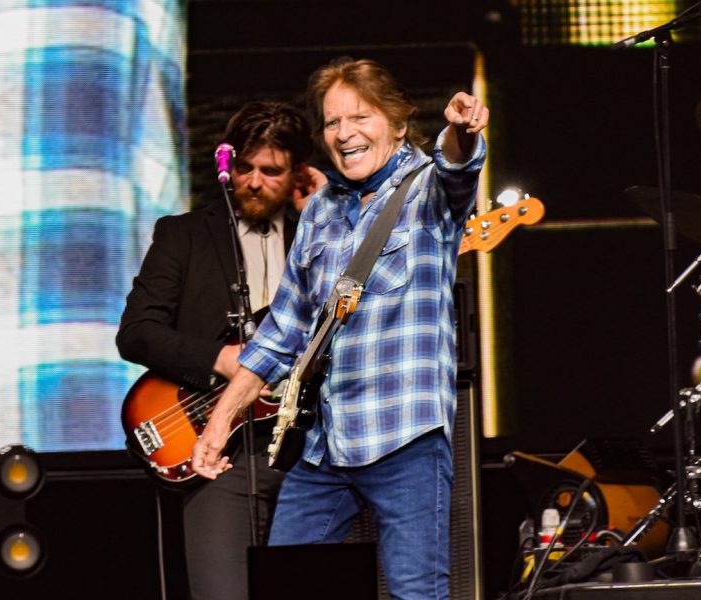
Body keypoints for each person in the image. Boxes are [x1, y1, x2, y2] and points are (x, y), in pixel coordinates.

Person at [191, 57, 489, 599]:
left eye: (361, 117)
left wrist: (462, 131)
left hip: (407, 438)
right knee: (288, 586)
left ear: (397, 122)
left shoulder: (427, 190)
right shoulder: (320, 210)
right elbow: (281, 331)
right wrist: (218, 424)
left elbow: (458, 164)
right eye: (332, 122)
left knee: (415, 595)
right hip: (328, 444)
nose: (345, 133)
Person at [116, 101, 323, 600]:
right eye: (245, 168)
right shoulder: (184, 235)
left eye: (270, 171)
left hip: (312, 455)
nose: (253, 182)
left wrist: (328, 215)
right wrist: (223, 360)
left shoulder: (323, 236)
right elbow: (136, 332)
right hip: (221, 454)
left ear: (297, 172)